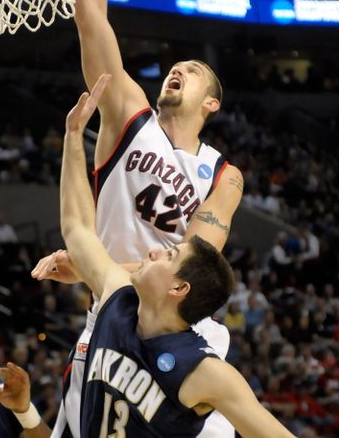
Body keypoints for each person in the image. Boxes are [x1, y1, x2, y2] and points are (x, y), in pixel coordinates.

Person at [51, 0, 243, 438]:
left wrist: (95, 264)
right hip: (112, 315)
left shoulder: (223, 174)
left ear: (212, 104)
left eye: (196, 70)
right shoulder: (127, 111)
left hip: (184, 328)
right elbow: (90, 11)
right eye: (178, 66)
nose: (180, 68)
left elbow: (194, 267)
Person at [49, 75, 296, 437]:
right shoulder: (116, 297)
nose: (152, 250)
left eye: (168, 255)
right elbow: (78, 229)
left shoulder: (203, 369)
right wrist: (72, 137)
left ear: (180, 287)